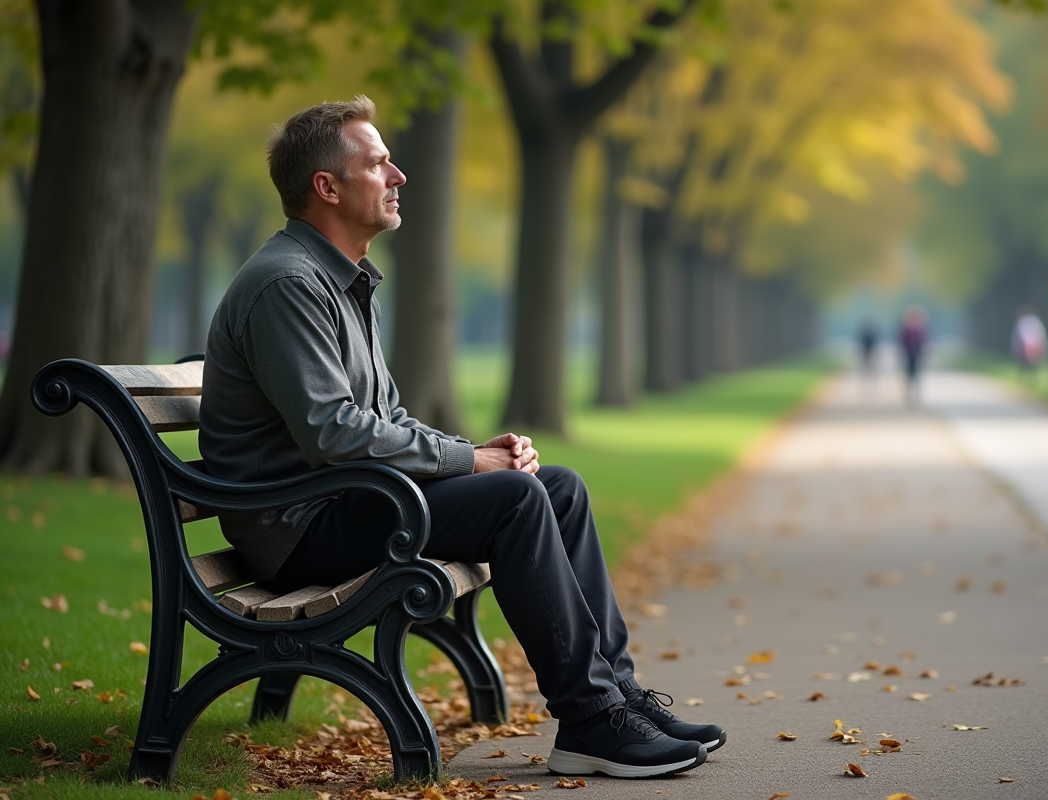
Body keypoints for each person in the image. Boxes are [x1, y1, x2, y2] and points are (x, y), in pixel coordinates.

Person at [197, 97, 722, 779]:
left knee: (555, 487)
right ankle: (591, 719)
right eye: (378, 163)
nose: (398, 176)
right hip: (298, 528)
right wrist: (468, 462)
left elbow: (386, 417)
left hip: (344, 502)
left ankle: (617, 697)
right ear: (327, 186)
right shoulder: (288, 284)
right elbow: (332, 431)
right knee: (515, 500)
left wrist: (480, 455)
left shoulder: (340, 279)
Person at [898, 305, 928, 405]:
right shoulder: (907, 329)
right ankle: (909, 394)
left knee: (917, 375)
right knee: (909, 375)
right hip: (908, 354)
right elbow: (902, 341)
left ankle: (916, 395)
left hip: (917, 354)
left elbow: (923, 342)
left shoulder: (920, 329)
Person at [1011, 305, 1047, 383]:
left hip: (1026, 348)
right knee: (1031, 367)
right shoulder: (1035, 321)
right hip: (1033, 348)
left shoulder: (1022, 322)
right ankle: (1030, 381)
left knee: (1024, 366)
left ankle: (1025, 381)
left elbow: (1019, 337)